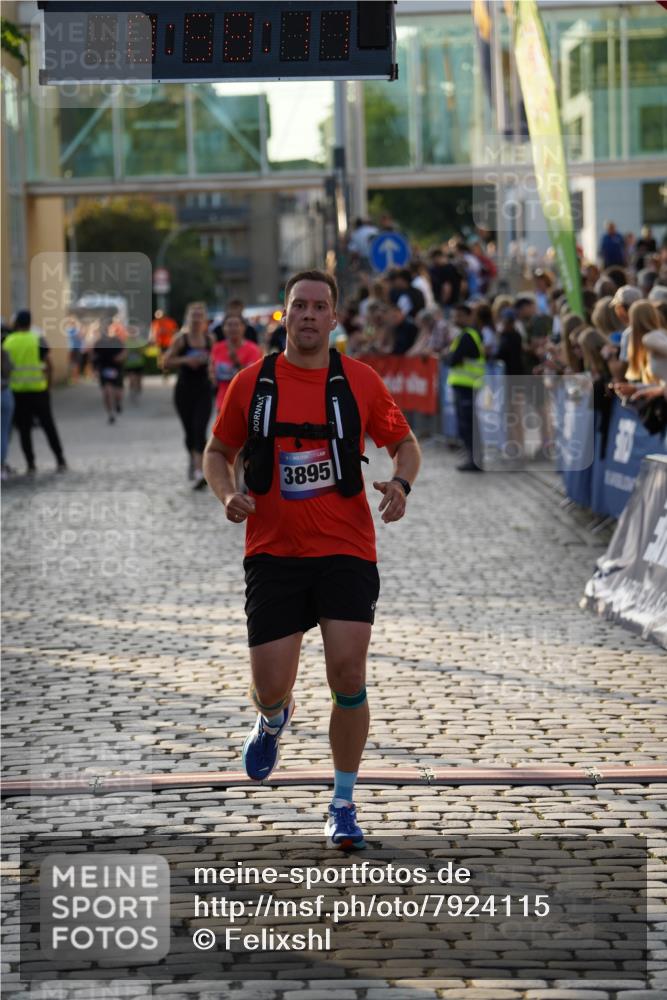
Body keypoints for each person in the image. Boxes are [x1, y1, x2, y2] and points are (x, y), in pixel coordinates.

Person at [203, 269, 421, 850]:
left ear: (333, 317)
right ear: (284, 314)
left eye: (319, 307)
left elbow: (406, 445)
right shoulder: (252, 383)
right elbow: (218, 452)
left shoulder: (361, 381)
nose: (307, 315)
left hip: (347, 548)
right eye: (298, 305)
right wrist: (228, 495)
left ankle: (343, 802)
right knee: (270, 684)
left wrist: (400, 484)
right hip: (272, 552)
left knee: (348, 674)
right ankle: (273, 718)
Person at [3, 310, 67, 474]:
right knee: (48, 426)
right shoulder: (37, 339)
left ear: (16, 323)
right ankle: (60, 460)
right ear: (30, 323)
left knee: (24, 430)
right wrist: (49, 385)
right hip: (39, 391)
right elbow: (49, 365)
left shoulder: (8, 341)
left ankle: (30, 464)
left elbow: (5, 367)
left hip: (17, 392)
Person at [163, 302, 214, 490]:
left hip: (204, 389)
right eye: (193, 315)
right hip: (184, 390)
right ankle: (193, 461)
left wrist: (211, 366)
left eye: (200, 315)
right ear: (188, 317)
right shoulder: (181, 339)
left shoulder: (210, 339)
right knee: (189, 431)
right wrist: (186, 359)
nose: (196, 319)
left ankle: (201, 470)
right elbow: (166, 361)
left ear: (205, 320)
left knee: (200, 428)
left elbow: (216, 360)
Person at [443, 302, 486, 472]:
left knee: (468, 425)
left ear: (469, 316)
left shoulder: (468, 335)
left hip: (467, 386)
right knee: (466, 424)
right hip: (464, 386)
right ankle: (472, 458)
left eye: (460, 315)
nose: (456, 319)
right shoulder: (465, 335)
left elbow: (452, 359)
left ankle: (475, 460)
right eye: (455, 315)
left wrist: (448, 356)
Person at [209, 313, 263, 413]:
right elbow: (212, 370)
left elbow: (252, 378)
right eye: (229, 325)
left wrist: (236, 361)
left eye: (236, 325)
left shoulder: (253, 350)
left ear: (243, 327)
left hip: (246, 401)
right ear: (223, 328)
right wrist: (212, 376)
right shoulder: (217, 348)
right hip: (223, 400)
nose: (233, 328)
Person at [93, 319, 126, 423]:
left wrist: (120, 357)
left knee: (118, 393)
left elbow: (125, 351)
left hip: (116, 368)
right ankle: (110, 414)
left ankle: (117, 403)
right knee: (106, 392)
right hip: (104, 369)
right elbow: (93, 355)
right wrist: (94, 369)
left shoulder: (118, 341)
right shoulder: (98, 342)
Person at [1, 345, 14, 479]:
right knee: (3, 433)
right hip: (3, 392)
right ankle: (1, 467)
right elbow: (9, 370)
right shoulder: (3, 353)